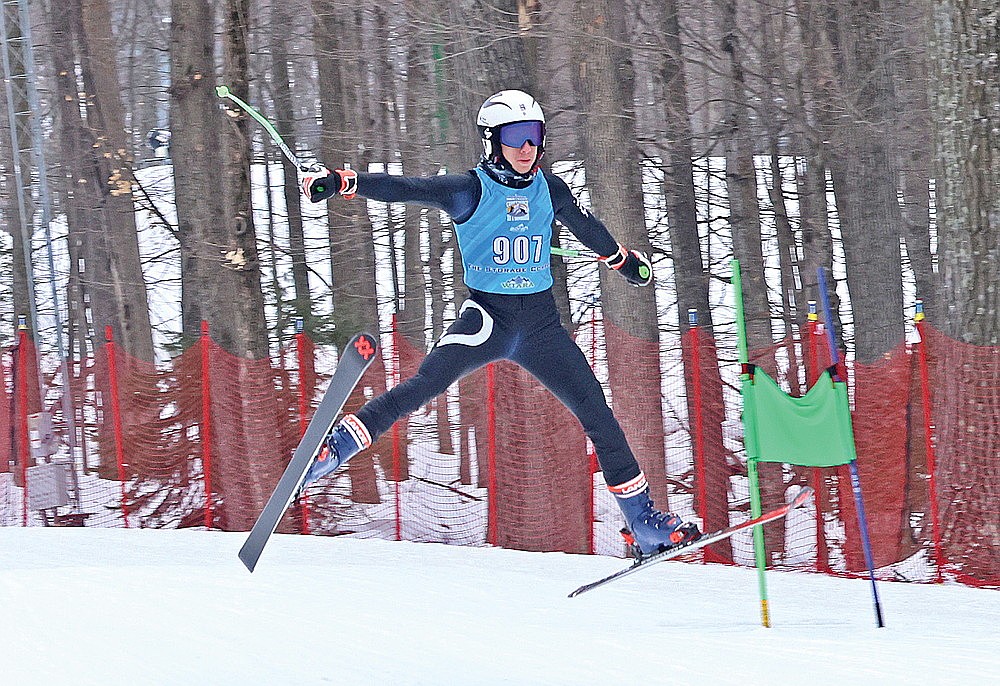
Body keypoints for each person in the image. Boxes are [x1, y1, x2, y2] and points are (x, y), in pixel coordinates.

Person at [299, 90, 700, 556]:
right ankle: (337, 447)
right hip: (490, 317)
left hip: (542, 327)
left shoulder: (549, 189)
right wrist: (343, 182)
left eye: (534, 136)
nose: (527, 148)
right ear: (492, 141)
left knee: (598, 415)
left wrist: (619, 259)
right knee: (427, 384)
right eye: (515, 137)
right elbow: (406, 187)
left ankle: (643, 523)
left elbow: (582, 224)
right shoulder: (468, 190)